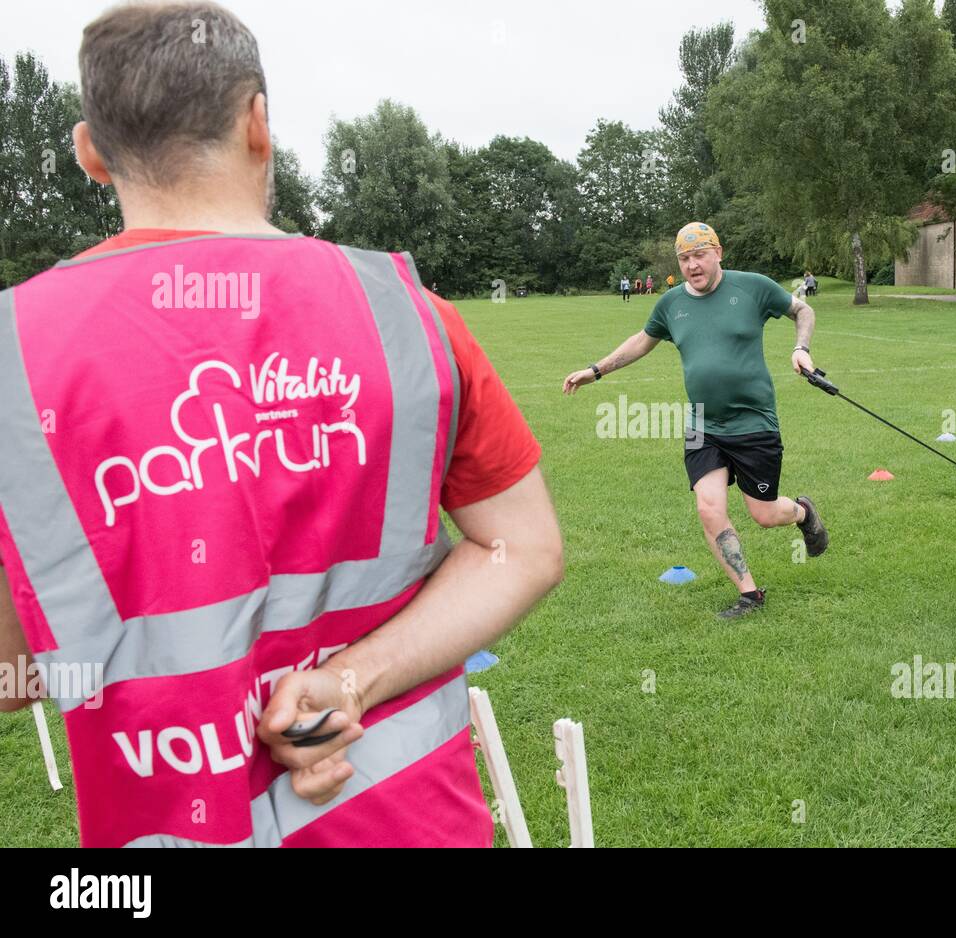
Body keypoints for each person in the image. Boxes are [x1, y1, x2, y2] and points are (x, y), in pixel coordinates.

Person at [0, 1, 563, 848]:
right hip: (407, 819)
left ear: (90, 152)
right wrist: (353, 678)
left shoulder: (14, 354)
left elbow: (12, 673)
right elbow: (525, 549)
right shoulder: (407, 316)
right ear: (258, 124)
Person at [562, 222, 828, 619]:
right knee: (708, 508)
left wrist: (801, 349)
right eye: (684, 259)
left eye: (699, 255)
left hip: (754, 424)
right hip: (703, 424)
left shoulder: (752, 287)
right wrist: (596, 370)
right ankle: (750, 594)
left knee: (765, 514)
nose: (692, 265)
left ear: (718, 253)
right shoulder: (671, 304)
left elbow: (802, 309)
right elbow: (642, 340)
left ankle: (803, 512)